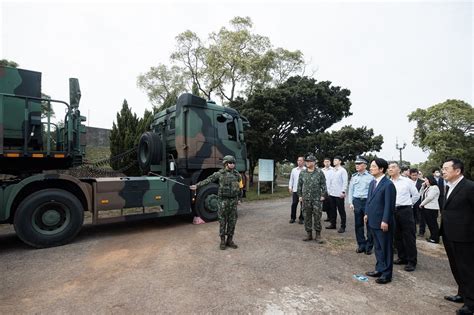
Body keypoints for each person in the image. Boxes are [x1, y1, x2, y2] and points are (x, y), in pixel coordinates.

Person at [440, 158, 474, 315]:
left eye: (446, 168)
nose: (443, 171)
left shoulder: (469, 187)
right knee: (456, 268)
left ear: (457, 171)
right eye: (443, 168)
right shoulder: (449, 186)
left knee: (467, 270)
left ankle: (471, 304)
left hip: (465, 237)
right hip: (449, 234)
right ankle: (462, 294)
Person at [190, 155, 241, 250]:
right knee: (222, 221)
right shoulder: (220, 174)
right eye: (230, 163)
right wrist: (197, 186)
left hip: (233, 201)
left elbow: (239, 187)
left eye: (233, 163)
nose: (232, 165)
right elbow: (208, 180)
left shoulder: (237, 175)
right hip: (223, 201)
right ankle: (222, 241)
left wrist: (239, 199)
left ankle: (230, 240)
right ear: (225, 163)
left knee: (232, 221)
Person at [364, 158, 396, 284]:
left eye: (373, 166)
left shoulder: (388, 185)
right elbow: (369, 200)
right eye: (371, 166)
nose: (370, 168)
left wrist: (385, 220)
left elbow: (389, 205)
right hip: (372, 220)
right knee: (377, 247)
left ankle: (387, 274)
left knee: (386, 248)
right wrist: (366, 213)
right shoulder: (373, 183)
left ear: (381, 169)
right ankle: (379, 268)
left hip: (382, 222)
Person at [388, 162, 420, 272]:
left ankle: (412, 261)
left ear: (399, 169)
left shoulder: (407, 181)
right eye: (389, 168)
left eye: (393, 167)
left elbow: (416, 195)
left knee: (409, 236)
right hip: (392, 211)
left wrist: (409, 204)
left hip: (405, 210)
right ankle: (402, 257)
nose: (390, 169)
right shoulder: (388, 182)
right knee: (397, 236)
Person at [297, 155, 327, 244]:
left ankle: (318, 235)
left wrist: (323, 195)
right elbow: (299, 185)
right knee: (307, 216)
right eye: (307, 161)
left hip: (316, 199)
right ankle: (308, 234)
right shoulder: (302, 173)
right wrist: (299, 195)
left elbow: (323, 185)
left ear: (314, 162)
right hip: (306, 199)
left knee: (317, 216)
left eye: (310, 161)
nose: (307, 163)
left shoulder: (319, 172)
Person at [348, 156, 374, 255]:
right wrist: (351, 202)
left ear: (365, 165)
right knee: (358, 224)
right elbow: (350, 190)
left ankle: (369, 246)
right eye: (356, 164)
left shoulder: (371, 177)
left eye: (359, 164)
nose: (357, 166)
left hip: (368, 202)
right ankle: (361, 245)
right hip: (357, 201)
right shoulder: (354, 177)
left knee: (369, 224)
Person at [326, 155, 348, 233]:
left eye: (336, 160)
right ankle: (333, 224)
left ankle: (343, 226)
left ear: (340, 161)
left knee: (341, 210)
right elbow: (329, 181)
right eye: (334, 160)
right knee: (332, 210)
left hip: (339, 194)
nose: (334, 161)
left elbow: (345, 182)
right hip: (331, 193)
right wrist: (328, 191)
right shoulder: (332, 170)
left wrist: (343, 191)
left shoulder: (342, 170)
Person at [419, 175, 440, 243]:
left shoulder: (434, 187)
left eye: (426, 180)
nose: (425, 181)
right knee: (429, 223)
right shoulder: (428, 187)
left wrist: (422, 204)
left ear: (430, 180)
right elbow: (420, 194)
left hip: (432, 208)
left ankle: (435, 238)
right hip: (427, 208)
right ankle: (432, 237)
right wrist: (422, 186)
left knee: (433, 224)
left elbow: (430, 197)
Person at [288, 156, 305, 224]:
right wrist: (290, 187)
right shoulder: (294, 170)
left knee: (303, 205)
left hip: (303, 191)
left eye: (300, 160)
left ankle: (301, 218)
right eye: (298, 160)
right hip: (295, 190)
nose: (299, 162)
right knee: (294, 204)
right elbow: (291, 179)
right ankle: (293, 218)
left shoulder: (306, 170)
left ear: (303, 162)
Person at [410, 168, 426, 236]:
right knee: (412, 218)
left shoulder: (422, 182)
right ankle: (413, 230)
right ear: (410, 175)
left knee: (421, 218)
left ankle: (422, 231)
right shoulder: (407, 182)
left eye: (416, 175)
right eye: (413, 175)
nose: (414, 177)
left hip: (420, 203)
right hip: (410, 203)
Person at [321, 157, 333, 222]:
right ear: (323, 163)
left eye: (328, 161)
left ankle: (332, 218)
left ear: (330, 162)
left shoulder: (333, 170)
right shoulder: (322, 170)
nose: (326, 163)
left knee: (331, 205)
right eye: (325, 162)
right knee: (325, 205)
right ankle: (328, 217)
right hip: (324, 190)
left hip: (331, 190)